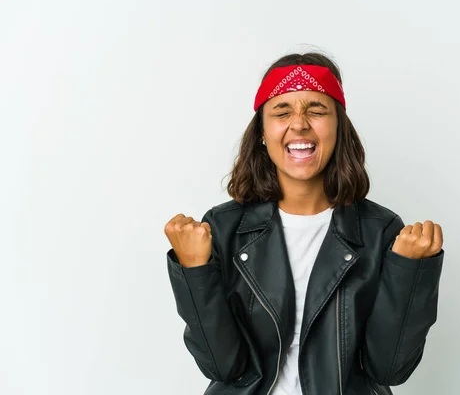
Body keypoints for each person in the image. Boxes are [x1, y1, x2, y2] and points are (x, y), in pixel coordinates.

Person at [164, 52, 445, 395]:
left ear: (339, 128)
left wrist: (409, 270)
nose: (299, 123)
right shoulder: (223, 228)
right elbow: (222, 366)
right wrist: (194, 269)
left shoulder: (380, 231)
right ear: (263, 134)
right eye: (282, 111)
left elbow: (388, 368)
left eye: (316, 110)